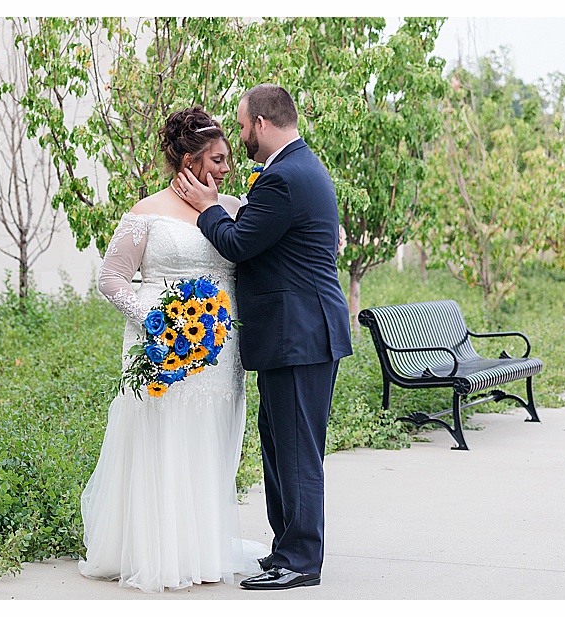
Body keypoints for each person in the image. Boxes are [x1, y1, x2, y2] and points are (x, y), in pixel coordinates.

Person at [171, 84, 353, 591]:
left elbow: (237, 245)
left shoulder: (284, 179)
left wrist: (208, 206)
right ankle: (285, 549)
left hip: (300, 334)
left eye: (245, 125)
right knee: (279, 445)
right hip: (295, 333)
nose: (243, 135)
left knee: (296, 449)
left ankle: (301, 560)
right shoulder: (297, 169)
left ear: (265, 124)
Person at [80, 106, 263, 592]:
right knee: (165, 439)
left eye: (227, 159)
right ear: (188, 159)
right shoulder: (146, 213)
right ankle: (158, 551)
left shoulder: (237, 208)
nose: (226, 168)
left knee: (210, 439)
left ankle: (202, 548)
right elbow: (111, 278)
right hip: (162, 346)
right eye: (218, 159)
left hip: (221, 350)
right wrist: (157, 321)